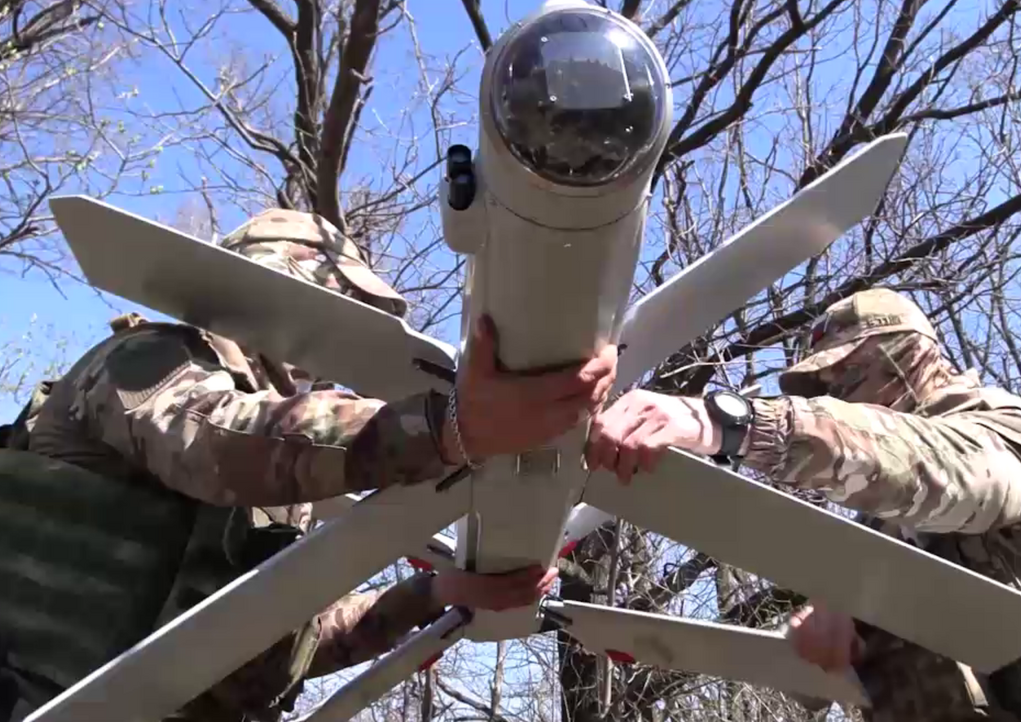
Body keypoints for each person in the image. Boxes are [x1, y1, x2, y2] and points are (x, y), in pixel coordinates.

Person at [0, 209, 618, 722]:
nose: (346, 331)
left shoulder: (283, 478)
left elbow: (280, 642)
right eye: (338, 299)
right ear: (272, 283)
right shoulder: (144, 360)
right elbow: (218, 442)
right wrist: (447, 427)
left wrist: (436, 594)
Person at [584, 287, 1021, 721]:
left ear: (910, 355)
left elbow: (944, 470)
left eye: (850, 375)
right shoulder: (876, 533)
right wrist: (825, 638)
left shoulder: (1003, 432)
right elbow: (823, 687)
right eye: (827, 391)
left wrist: (734, 424)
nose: (840, 399)